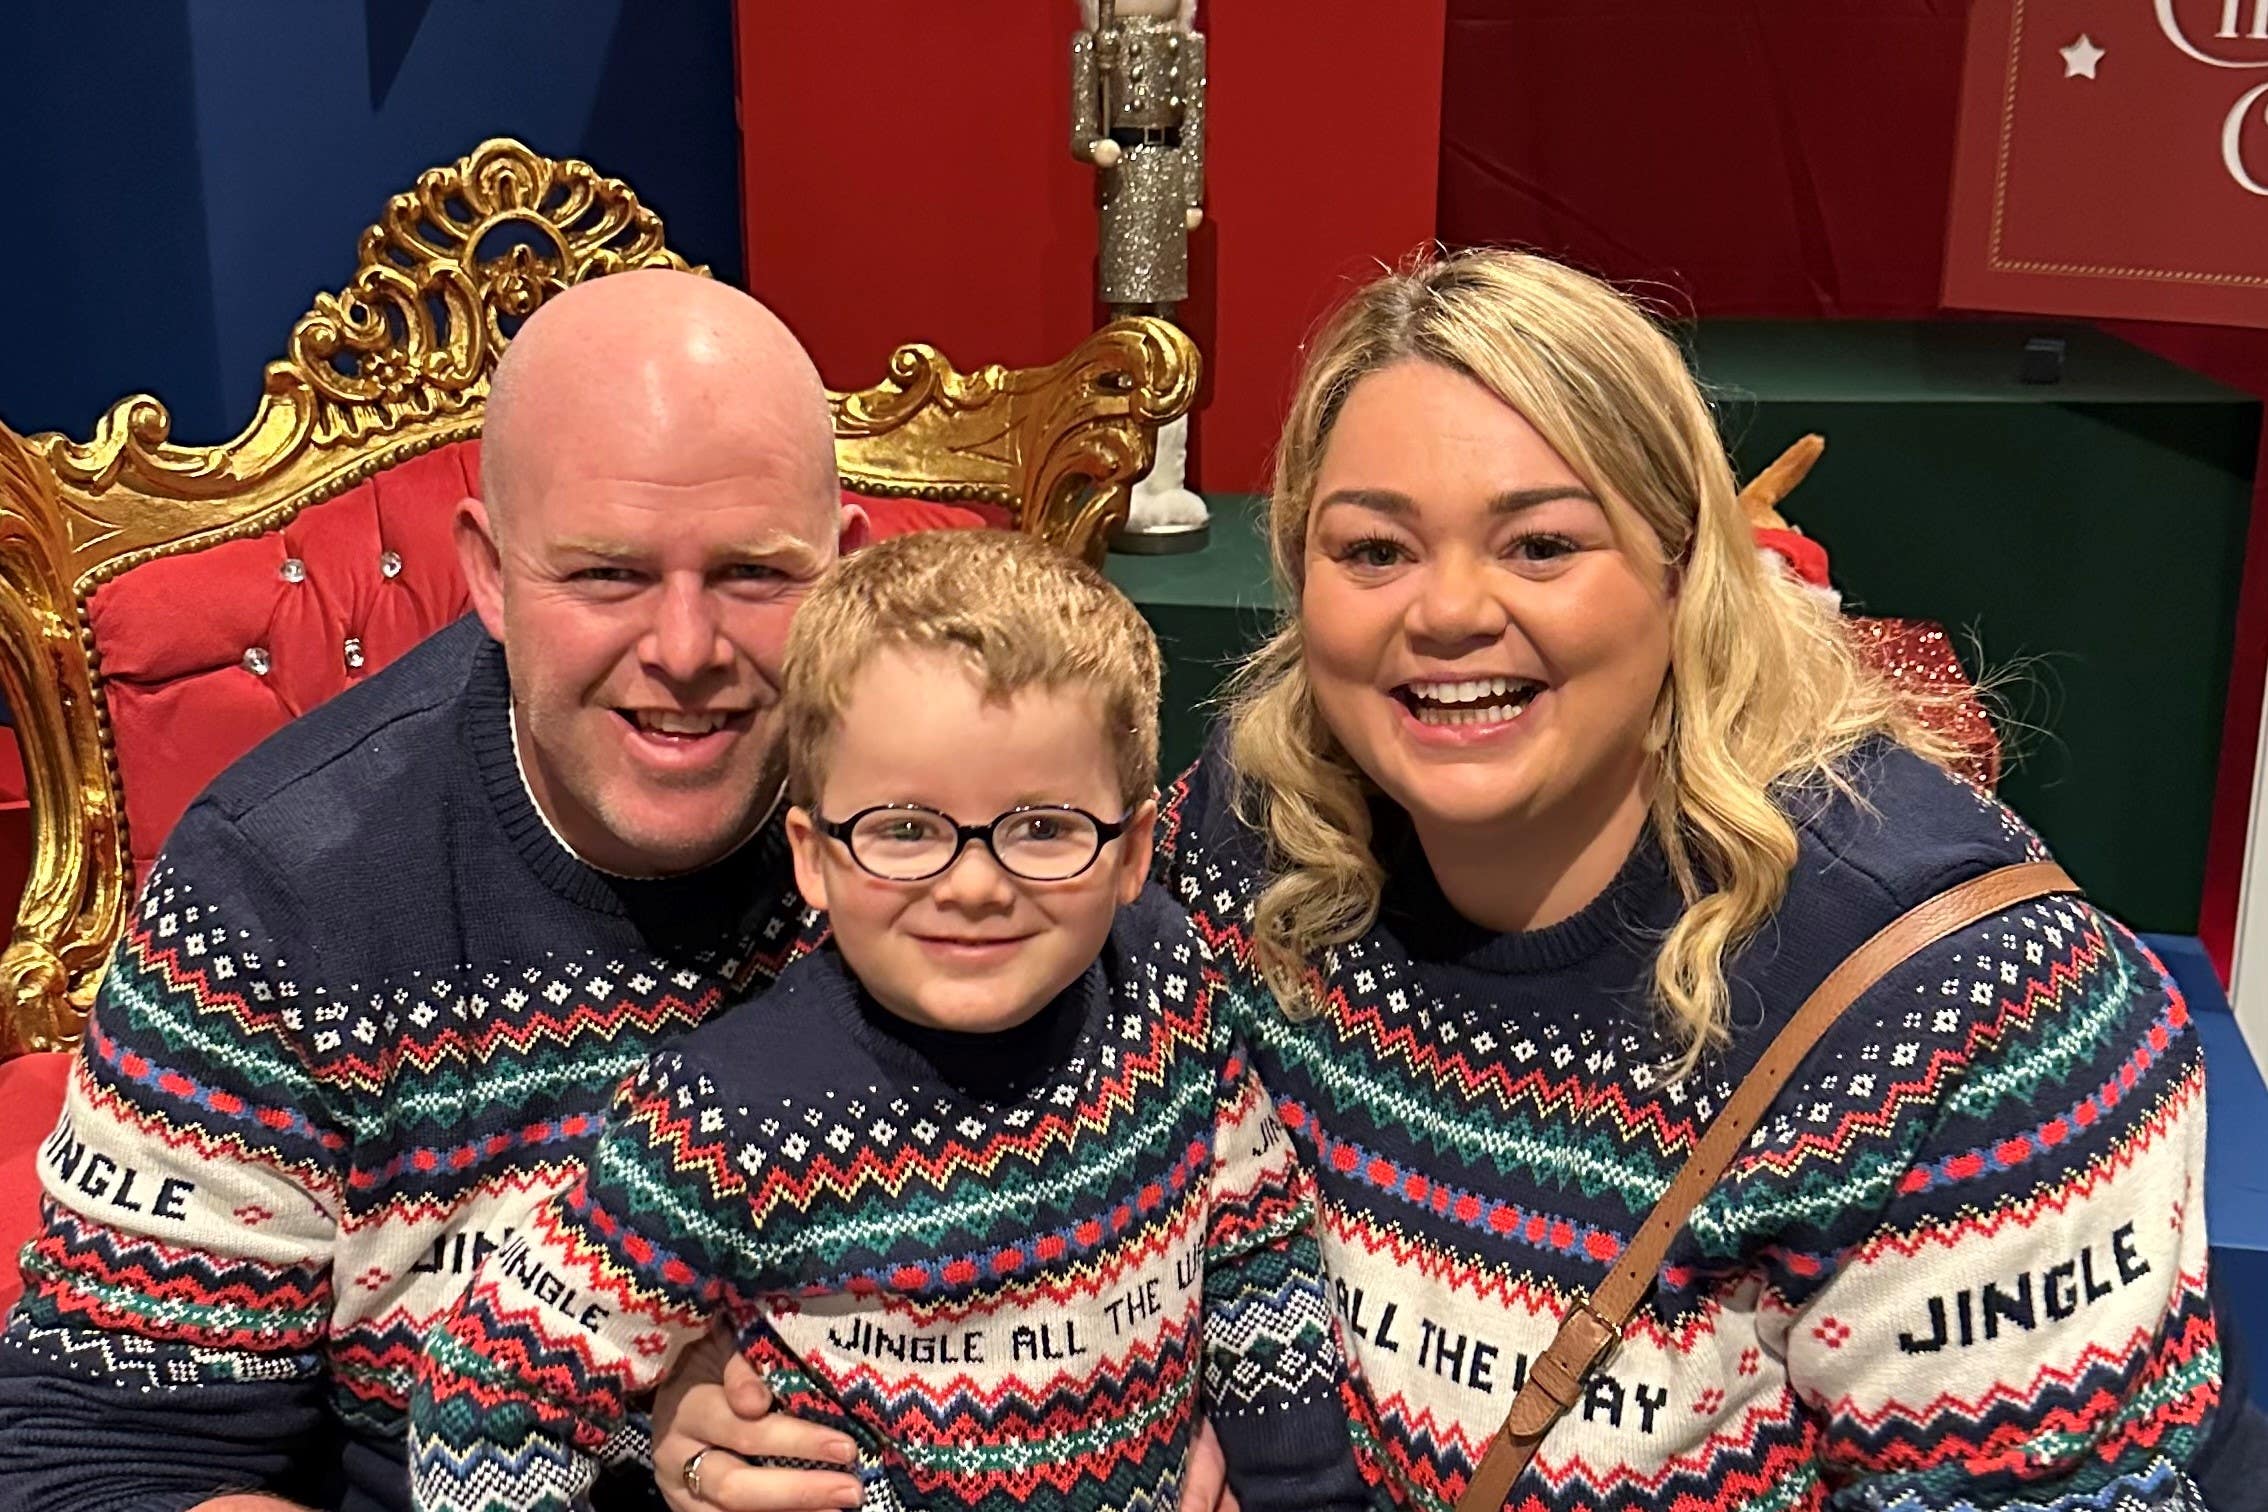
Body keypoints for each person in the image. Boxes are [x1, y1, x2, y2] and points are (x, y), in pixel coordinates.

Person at [1145, 249, 2237, 1508]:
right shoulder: (1257, 821)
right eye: (1374, 550)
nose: (1445, 611)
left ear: (1682, 569)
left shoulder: (1964, 1013)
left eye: (1541, 543)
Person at [0, 270, 877, 1512]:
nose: (686, 652)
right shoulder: (277, 894)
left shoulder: (952, 828)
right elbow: (102, 1461)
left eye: (751, 573)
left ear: (844, 570)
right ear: (490, 574)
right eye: (608, 574)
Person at [408, 529, 1368, 1512]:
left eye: (1043, 828)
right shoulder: (720, 1118)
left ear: (1131, 852)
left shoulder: (1166, 987)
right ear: (812, 857)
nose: (976, 887)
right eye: (905, 830)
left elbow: (1258, 1243)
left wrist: (1303, 1491)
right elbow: (492, 1395)